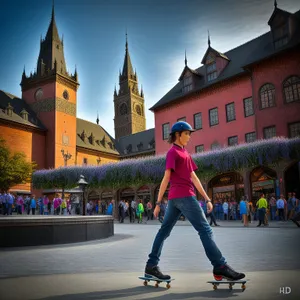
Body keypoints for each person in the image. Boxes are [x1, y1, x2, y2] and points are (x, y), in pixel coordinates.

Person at [144, 121, 245, 281]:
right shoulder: (173, 153)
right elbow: (166, 177)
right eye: (187, 133)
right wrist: (157, 203)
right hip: (184, 196)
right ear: (178, 134)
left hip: (175, 199)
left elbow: (194, 178)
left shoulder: (185, 153)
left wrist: (207, 198)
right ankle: (219, 265)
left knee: (164, 231)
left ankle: (151, 265)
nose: (189, 137)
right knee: (205, 230)